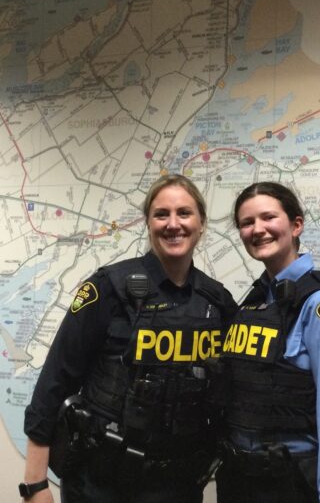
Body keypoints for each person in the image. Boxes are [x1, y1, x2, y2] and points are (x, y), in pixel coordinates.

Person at [20, 174, 237, 503]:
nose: (172, 224)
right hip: (100, 482)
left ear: (202, 223)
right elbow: (56, 380)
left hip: (176, 487)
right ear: (148, 222)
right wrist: (35, 484)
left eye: (184, 213)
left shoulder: (216, 302)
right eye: (161, 214)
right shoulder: (109, 287)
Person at [215, 181, 320, 503]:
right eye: (247, 222)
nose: (258, 229)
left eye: (268, 217)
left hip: (290, 485)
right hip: (239, 481)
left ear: (296, 224)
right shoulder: (255, 301)